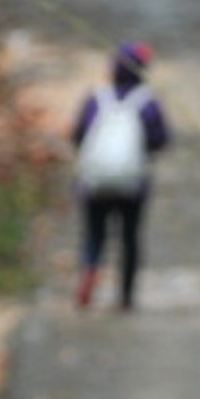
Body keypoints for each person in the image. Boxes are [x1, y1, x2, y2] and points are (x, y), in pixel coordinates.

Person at [69, 42, 170, 311]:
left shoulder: (97, 98)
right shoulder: (147, 102)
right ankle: (125, 295)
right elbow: (160, 139)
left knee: (94, 234)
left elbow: (78, 135)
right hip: (132, 183)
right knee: (129, 238)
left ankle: (90, 269)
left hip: (95, 181)